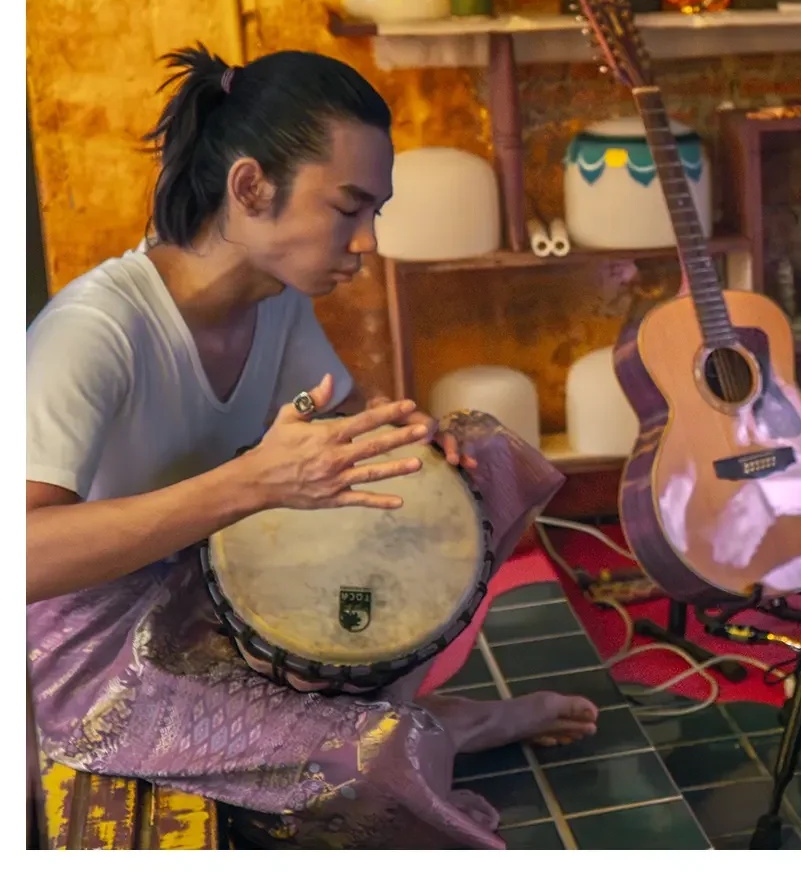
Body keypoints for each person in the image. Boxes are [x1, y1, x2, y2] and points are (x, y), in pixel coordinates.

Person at [26, 46, 598, 849]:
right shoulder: (96, 331)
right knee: (378, 761)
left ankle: (388, 711)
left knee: (482, 457)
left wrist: (407, 442)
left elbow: (344, 420)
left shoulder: (276, 301)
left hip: (204, 590)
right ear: (251, 187)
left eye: (376, 213)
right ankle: (440, 726)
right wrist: (248, 484)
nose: (367, 242)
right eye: (349, 208)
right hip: (94, 659)